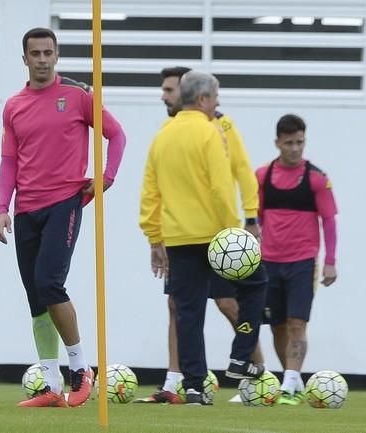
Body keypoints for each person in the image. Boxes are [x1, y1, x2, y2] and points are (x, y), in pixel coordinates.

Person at [0, 27, 126, 408]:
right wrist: (2, 207)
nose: (42, 59)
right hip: (26, 209)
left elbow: (116, 136)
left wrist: (106, 178)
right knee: (36, 298)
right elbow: (9, 161)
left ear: (56, 55)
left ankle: (81, 371)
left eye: (47, 52)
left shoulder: (78, 96)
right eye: (34, 53)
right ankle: (51, 386)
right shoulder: (14, 105)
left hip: (65, 201)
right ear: (24, 59)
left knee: (50, 284)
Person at [135, 66, 264, 404]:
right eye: (215, 98)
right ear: (204, 98)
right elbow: (221, 187)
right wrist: (234, 229)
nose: (216, 104)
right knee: (256, 285)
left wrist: (153, 234)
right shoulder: (211, 133)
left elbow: (150, 191)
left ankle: (194, 387)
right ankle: (241, 356)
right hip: (214, 233)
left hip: (178, 238)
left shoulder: (162, 134)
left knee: (188, 313)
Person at [255, 114, 338, 406]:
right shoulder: (263, 176)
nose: (295, 148)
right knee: (276, 324)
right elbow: (257, 219)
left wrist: (331, 260)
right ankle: (293, 379)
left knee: (296, 323)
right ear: (277, 142)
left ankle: (290, 382)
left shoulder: (317, 179)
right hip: (269, 261)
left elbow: (328, 221)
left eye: (300, 142)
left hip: (303, 261)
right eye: (289, 142)